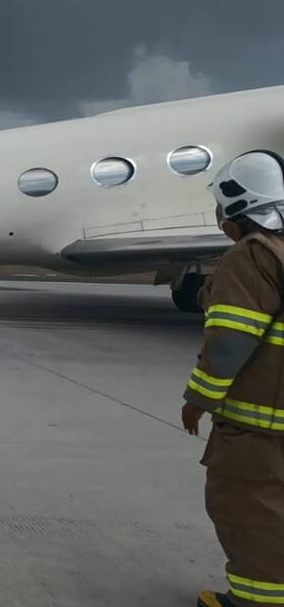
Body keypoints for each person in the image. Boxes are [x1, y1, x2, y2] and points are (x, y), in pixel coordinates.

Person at [180, 151, 284, 607]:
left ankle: (255, 602)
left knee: (250, 509)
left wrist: (197, 400)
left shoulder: (252, 258)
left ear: (236, 207)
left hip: (263, 428)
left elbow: (229, 342)